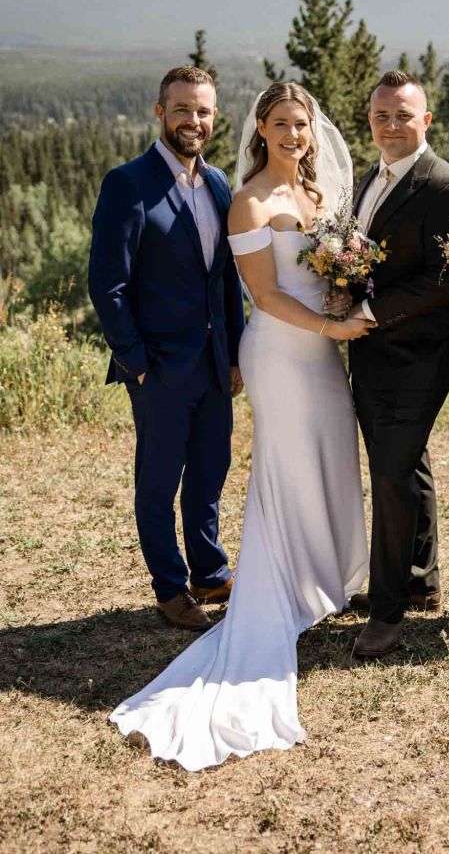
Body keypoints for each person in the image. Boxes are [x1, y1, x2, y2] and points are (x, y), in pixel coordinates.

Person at [109, 82, 371, 769]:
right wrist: (136, 364)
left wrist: (346, 289)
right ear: (261, 127)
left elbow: (238, 284)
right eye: (280, 123)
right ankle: (190, 587)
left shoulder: (257, 188)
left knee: (298, 461)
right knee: (192, 471)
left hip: (286, 353)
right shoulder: (234, 196)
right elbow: (258, 291)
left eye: (301, 123)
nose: (291, 133)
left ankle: (303, 572)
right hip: (268, 352)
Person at [88, 66, 245, 631]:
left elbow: (224, 278)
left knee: (210, 469)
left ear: (214, 116)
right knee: (159, 480)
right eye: (182, 109)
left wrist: (233, 353)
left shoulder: (221, 183)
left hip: (212, 362)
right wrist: (136, 364)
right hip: (157, 367)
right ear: (160, 111)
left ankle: (209, 569)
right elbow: (107, 284)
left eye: (202, 111)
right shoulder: (127, 183)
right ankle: (170, 588)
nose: (193, 121)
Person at [348, 70, 449, 658]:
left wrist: (370, 310)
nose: (392, 125)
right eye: (382, 115)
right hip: (372, 354)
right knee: (405, 465)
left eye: (404, 115)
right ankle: (420, 580)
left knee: (391, 476)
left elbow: (448, 280)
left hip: (417, 358)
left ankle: (386, 611)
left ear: (426, 120)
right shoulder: (366, 179)